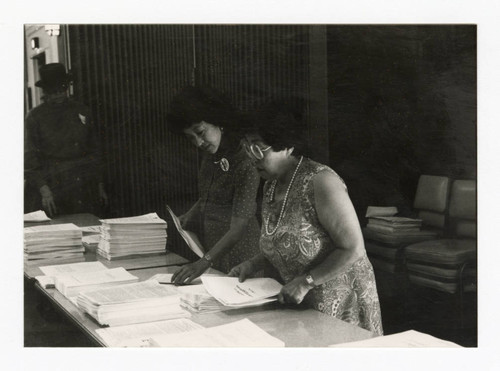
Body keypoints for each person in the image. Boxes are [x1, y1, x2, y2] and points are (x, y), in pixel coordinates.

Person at [229, 103, 383, 335]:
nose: (252, 158)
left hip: (341, 302)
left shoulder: (321, 181)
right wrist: (252, 264)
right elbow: (286, 243)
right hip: (302, 301)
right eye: (247, 148)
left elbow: (353, 249)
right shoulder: (271, 184)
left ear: (288, 146)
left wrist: (305, 282)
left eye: (259, 149)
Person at [167, 86, 261, 284]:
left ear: (217, 120)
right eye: (190, 138)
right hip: (213, 250)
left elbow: (239, 227)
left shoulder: (245, 160)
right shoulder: (211, 154)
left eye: (200, 132)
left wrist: (204, 262)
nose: (198, 142)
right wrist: (190, 215)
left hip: (242, 254)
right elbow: (210, 195)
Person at [25, 63, 108, 217]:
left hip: (83, 183)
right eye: (53, 91)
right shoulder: (35, 117)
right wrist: (44, 190)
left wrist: (99, 184)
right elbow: (30, 159)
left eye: (62, 89)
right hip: (53, 185)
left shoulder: (81, 110)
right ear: (46, 92)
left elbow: (94, 151)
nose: (58, 94)